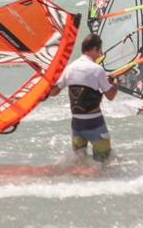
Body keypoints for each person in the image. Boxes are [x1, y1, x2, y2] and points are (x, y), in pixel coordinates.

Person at [47, 33, 119, 163]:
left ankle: (80, 182)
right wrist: (115, 83)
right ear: (94, 49)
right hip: (94, 123)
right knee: (105, 162)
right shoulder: (97, 70)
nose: (100, 54)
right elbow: (111, 96)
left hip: (76, 125)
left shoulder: (69, 68)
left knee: (80, 163)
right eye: (99, 51)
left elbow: (53, 92)